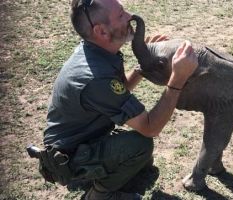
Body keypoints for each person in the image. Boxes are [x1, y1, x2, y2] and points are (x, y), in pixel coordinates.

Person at [41, 0, 198, 199]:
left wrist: (143, 65)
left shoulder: (99, 53)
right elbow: (150, 127)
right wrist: (178, 79)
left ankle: (105, 177)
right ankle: (98, 195)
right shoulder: (96, 76)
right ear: (102, 32)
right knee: (140, 145)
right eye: (121, 14)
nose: (130, 15)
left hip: (82, 140)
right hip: (67, 157)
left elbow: (119, 90)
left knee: (142, 162)